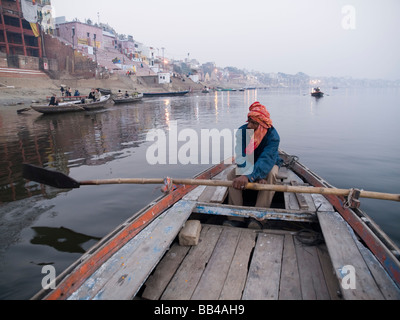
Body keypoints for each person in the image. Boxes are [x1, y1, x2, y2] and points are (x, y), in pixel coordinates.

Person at [228, 101, 282, 209]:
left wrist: (251, 176)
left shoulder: (273, 137)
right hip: (249, 162)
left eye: (253, 123)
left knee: (271, 175)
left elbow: (266, 159)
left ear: (262, 125)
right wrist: (249, 175)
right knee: (231, 176)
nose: (249, 125)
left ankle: (258, 216)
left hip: (269, 162)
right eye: (249, 121)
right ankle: (236, 216)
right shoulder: (242, 132)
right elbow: (241, 156)